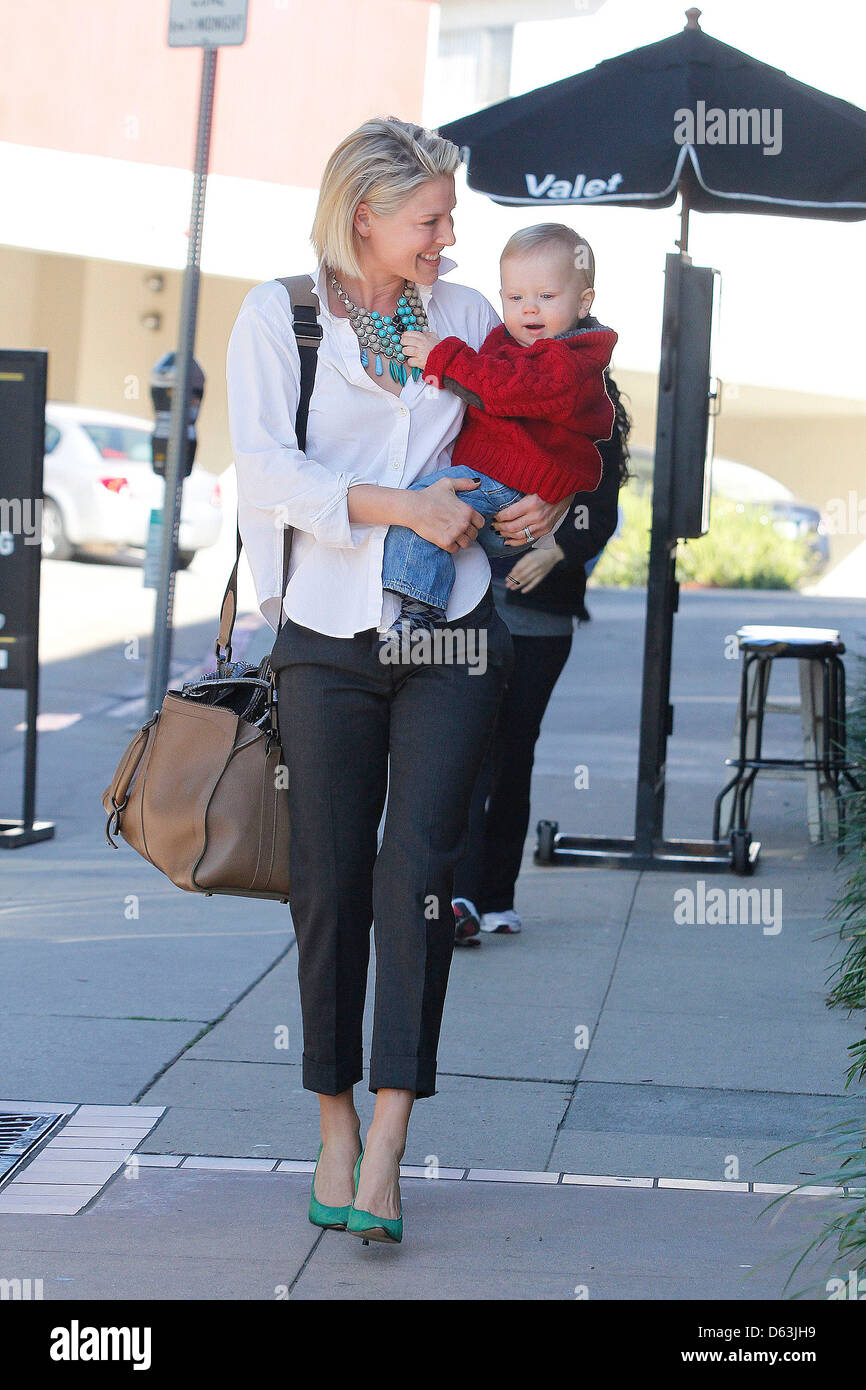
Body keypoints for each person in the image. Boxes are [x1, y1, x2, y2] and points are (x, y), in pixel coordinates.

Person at [225, 118, 574, 1243]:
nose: (448, 235)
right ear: (364, 214)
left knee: (417, 879)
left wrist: (547, 503)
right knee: (326, 881)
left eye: (449, 216)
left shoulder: (469, 313)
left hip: (453, 631)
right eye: (430, 217)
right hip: (325, 635)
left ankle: (385, 1146)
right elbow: (271, 472)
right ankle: (330, 1121)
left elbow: (548, 422)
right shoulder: (279, 314)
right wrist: (401, 505)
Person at [451, 371, 632, 944]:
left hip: (543, 618)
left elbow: (599, 515)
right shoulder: (493, 387)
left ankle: (496, 897)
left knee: (514, 751)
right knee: (468, 747)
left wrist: (555, 551)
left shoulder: (593, 420)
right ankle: (458, 896)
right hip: (473, 606)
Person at [379, 224, 617, 636]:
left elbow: (507, 388)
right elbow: (489, 387)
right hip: (502, 490)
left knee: (420, 506)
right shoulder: (514, 344)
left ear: (583, 302)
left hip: (508, 481)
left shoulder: (565, 362)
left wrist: (443, 356)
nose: (529, 309)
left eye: (546, 297)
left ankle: (420, 612)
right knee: (432, 513)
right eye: (515, 297)